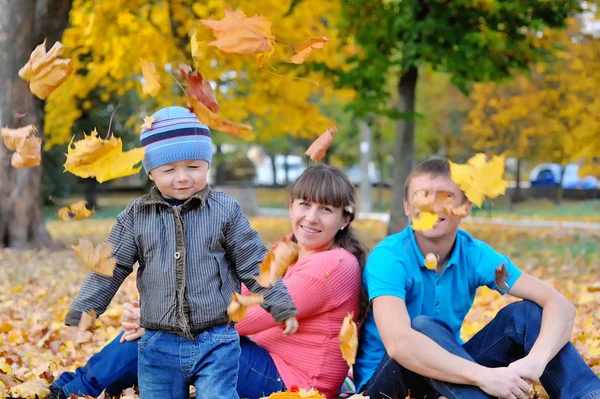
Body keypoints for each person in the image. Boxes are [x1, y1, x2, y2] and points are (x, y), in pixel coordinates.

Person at [50, 164, 367, 399]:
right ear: (291, 207)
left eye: (325, 210)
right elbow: (233, 293)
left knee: (163, 339)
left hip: (295, 383)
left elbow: (248, 315)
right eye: (304, 205)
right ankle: (72, 387)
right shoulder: (289, 250)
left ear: (345, 219)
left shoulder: (334, 264)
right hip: (266, 362)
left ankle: (71, 390)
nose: (311, 218)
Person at [60, 106, 299, 399]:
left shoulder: (225, 210)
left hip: (217, 340)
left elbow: (255, 262)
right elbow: (108, 269)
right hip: (158, 341)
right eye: (169, 170)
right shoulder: (135, 216)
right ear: (151, 171)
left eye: (194, 167)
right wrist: (82, 316)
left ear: (207, 165)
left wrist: (281, 306)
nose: (183, 177)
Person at [354, 157, 600, 399]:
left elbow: (561, 306)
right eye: (422, 195)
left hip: (453, 375)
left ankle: (588, 395)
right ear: (408, 206)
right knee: (422, 327)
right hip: (388, 384)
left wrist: (535, 362)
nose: (432, 205)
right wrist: (484, 377)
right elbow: (399, 344)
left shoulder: (474, 254)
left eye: (445, 196)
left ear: (466, 207)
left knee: (525, 315)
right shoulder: (390, 257)